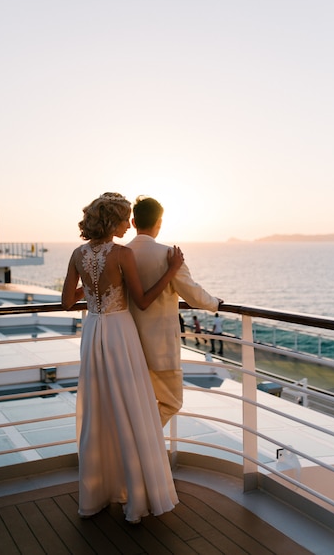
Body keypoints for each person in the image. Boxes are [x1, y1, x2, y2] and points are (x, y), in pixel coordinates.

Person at [61, 192, 184, 523]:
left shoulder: (77, 254)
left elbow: (67, 303)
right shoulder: (122, 253)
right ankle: (134, 497)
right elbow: (142, 301)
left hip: (93, 332)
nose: (128, 223)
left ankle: (95, 496)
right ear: (114, 221)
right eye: (124, 217)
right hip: (120, 333)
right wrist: (171, 271)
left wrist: (91, 290)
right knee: (130, 405)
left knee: (98, 408)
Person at [127, 196, 222, 426]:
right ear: (159, 222)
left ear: (132, 222)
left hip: (128, 344)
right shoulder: (169, 256)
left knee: (139, 404)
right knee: (172, 403)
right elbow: (192, 294)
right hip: (161, 348)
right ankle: (141, 444)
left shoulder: (121, 253)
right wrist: (215, 303)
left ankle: (139, 449)